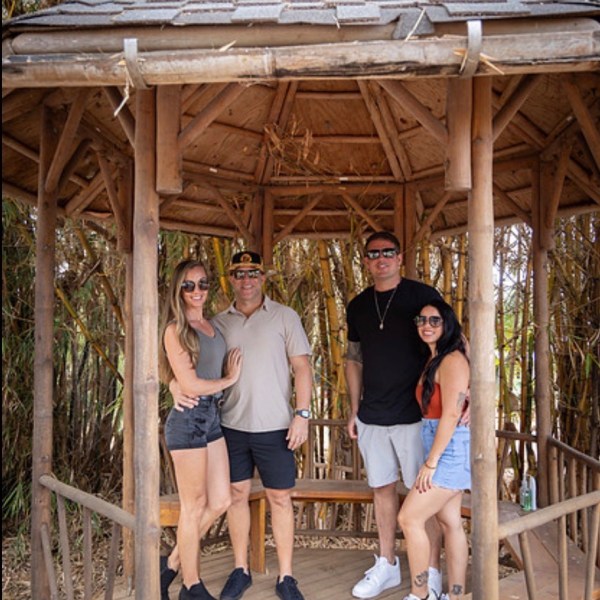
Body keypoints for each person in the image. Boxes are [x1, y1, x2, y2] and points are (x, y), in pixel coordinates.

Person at [167, 251, 313, 600]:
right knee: (235, 497)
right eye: (239, 274)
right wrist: (175, 386)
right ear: (230, 280)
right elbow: (191, 367)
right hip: (228, 425)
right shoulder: (217, 322)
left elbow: (303, 368)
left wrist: (302, 414)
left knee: (280, 498)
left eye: (253, 273)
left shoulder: (285, 316)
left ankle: (286, 577)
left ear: (263, 277)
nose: (246, 280)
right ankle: (239, 569)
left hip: (276, 426)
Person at [345, 231, 444, 599]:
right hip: (373, 415)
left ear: (400, 257)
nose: (381, 258)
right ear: (366, 260)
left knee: (423, 496)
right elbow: (353, 359)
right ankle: (387, 563)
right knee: (381, 489)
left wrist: (460, 401)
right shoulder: (357, 305)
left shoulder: (422, 296)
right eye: (374, 254)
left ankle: (431, 572)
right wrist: (354, 409)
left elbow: (452, 344)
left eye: (388, 252)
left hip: (416, 415)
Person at [159, 259, 243, 600]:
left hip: (211, 417)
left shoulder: (213, 325)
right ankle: (191, 586)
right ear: (178, 290)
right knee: (193, 507)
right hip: (188, 420)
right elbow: (191, 383)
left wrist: (175, 383)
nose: (197, 291)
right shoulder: (174, 329)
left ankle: (172, 563)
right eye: (189, 285)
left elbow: (185, 379)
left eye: (202, 284)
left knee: (221, 499)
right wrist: (228, 380)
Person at [398, 299, 470, 600]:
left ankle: (420, 594)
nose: (426, 325)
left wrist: (430, 462)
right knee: (449, 522)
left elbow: (452, 415)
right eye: (422, 320)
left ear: (447, 324)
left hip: (448, 446)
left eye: (434, 321)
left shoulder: (452, 360)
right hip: (439, 439)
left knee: (409, 518)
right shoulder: (437, 358)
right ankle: (455, 595)